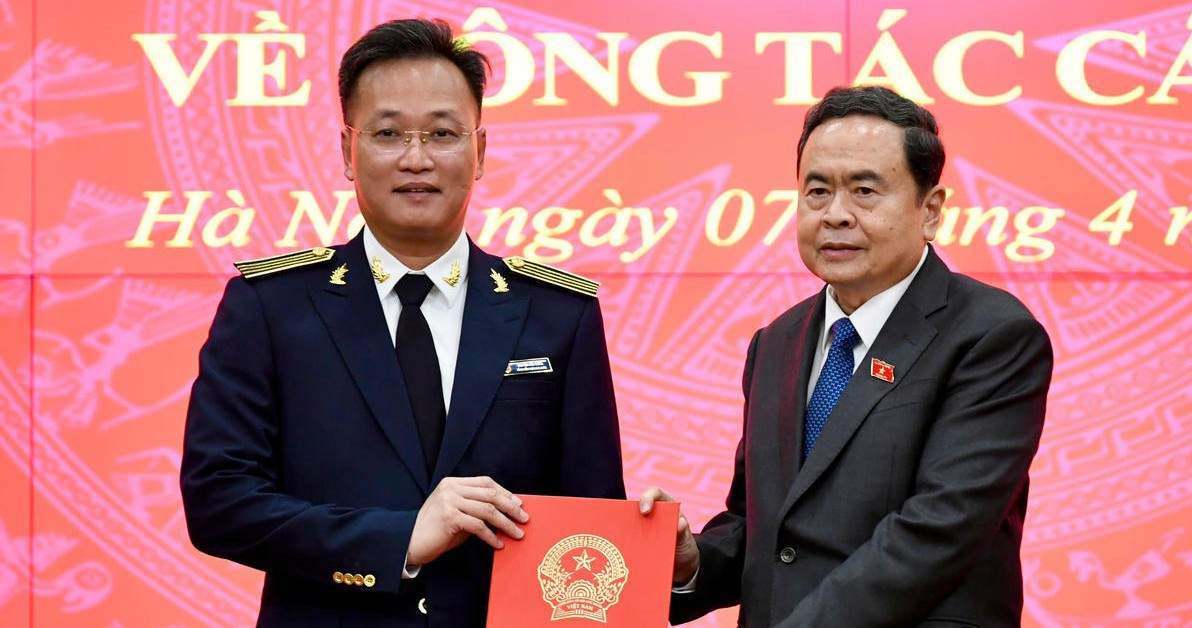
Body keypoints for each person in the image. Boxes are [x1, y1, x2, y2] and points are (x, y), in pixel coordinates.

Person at [180, 18, 624, 627]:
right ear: (347, 152)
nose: (417, 159)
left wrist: (657, 552)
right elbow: (219, 502)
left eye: (443, 133)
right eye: (388, 133)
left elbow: (593, 524)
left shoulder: (558, 314)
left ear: (480, 151)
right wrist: (399, 540)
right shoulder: (271, 307)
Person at [641, 86, 1053, 626]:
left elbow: (939, 529)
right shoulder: (777, 342)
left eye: (864, 191)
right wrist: (692, 561)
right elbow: (764, 527)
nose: (835, 215)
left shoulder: (991, 335)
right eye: (817, 192)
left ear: (930, 211)